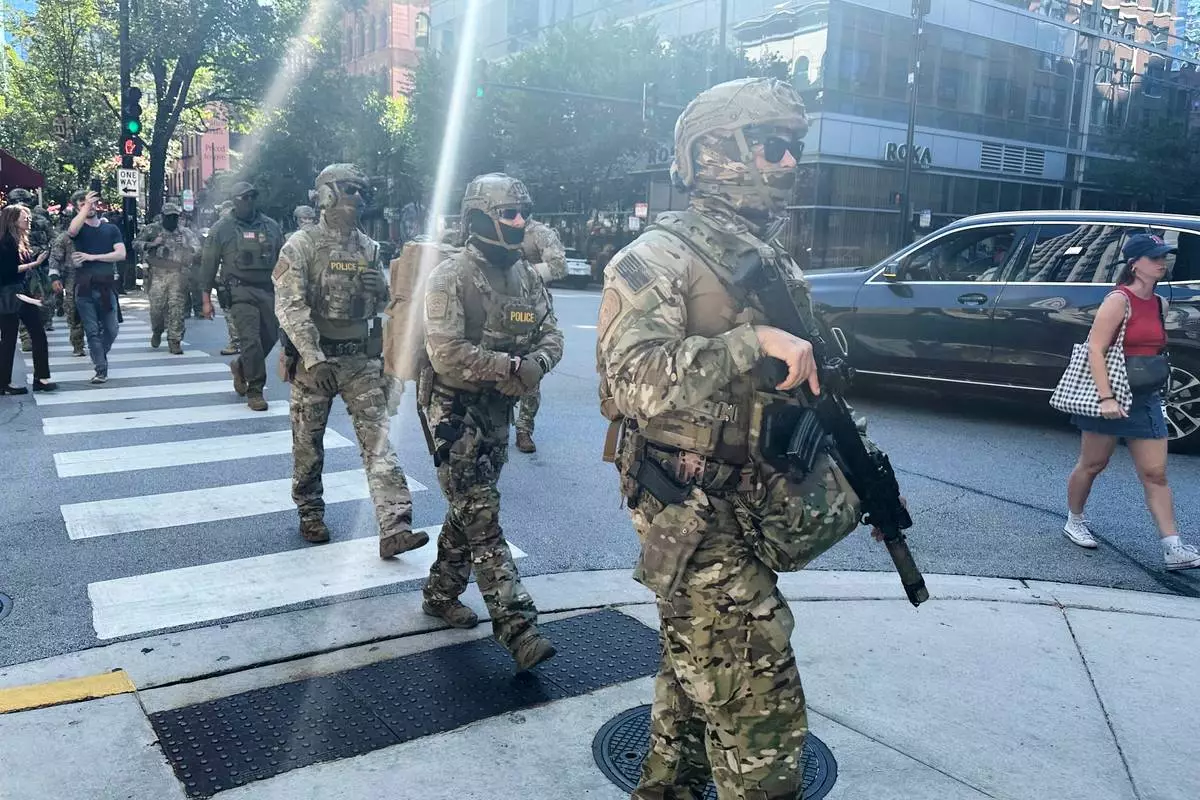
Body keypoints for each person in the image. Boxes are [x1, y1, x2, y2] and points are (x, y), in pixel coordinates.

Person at [597, 78, 871, 799]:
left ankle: (667, 787)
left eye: (794, 147)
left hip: (751, 499)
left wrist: (856, 475)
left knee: (695, 668)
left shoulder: (766, 256)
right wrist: (751, 342)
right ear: (714, 151)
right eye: (772, 146)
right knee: (758, 706)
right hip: (689, 506)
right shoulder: (659, 257)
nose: (789, 163)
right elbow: (631, 382)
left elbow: (804, 386)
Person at [419, 173, 563, 671]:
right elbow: (445, 352)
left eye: (524, 212)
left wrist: (536, 365)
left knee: (468, 508)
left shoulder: (527, 277)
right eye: (509, 214)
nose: (521, 222)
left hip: (499, 411)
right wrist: (510, 368)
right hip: (454, 410)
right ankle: (518, 627)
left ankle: (439, 594)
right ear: (479, 217)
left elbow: (551, 335)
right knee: (481, 511)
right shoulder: (451, 276)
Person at [273, 163, 427, 559]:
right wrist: (313, 358)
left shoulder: (369, 247)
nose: (357, 197)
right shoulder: (301, 245)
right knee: (308, 444)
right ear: (326, 194)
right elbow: (290, 306)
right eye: (349, 189)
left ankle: (395, 525)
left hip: (360, 360)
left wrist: (381, 290)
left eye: (361, 190)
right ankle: (310, 512)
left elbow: (384, 305)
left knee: (379, 443)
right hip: (316, 363)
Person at [1063, 233, 1200, 570]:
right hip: (1110, 392)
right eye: (1154, 257)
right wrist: (1106, 397)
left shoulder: (1159, 303)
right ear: (1135, 264)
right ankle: (1074, 520)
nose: (1162, 263)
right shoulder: (1118, 300)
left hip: (1144, 396)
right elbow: (1096, 349)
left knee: (1155, 473)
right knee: (1093, 463)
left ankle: (1172, 547)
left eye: (1164, 257)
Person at [199, 182, 283, 411]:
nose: (249, 201)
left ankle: (241, 366)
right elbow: (208, 264)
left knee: (270, 337)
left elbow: (283, 261)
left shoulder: (271, 226)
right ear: (234, 200)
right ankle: (255, 390)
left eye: (252, 197)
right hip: (239, 290)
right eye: (244, 198)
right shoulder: (222, 229)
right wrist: (205, 300)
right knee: (250, 340)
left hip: (268, 290)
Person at [513, 217, 567, 454]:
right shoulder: (490, 226)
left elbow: (559, 265)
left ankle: (524, 428)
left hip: (531, 306)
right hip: (494, 304)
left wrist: (524, 273)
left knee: (530, 367)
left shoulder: (538, 233)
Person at [67, 190, 126, 384]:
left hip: (106, 286)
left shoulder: (111, 229)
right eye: (83, 204)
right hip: (84, 287)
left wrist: (92, 257)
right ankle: (101, 369)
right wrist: (85, 207)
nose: (89, 206)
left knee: (111, 329)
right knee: (92, 331)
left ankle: (99, 353)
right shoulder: (79, 228)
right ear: (78, 208)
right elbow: (72, 231)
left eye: (92, 203)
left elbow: (121, 254)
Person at [0, 205, 56, 394]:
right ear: (12, 219)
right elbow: (7, 271)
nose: (28, 219)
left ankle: (37, 378)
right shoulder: (6, 241)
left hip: (18, 292)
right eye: (24, 217)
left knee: (28, 335)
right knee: (18, 337)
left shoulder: (18, 239)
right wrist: (35, 263)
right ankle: (29, 380)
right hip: (10, 294)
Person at [135, 202, 200, 354]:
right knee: (157, 309)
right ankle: (157, 331)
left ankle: (174, 340)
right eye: (169, 217)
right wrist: (152, 244)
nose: (172, 220)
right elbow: (135, 243)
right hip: (157, 274)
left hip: (178, 274)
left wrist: (186, 247)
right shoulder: (152, 229)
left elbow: (198, 249)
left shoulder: (185, 232)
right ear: (163, 216)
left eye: (175, 217)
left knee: (177, 309)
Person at [8, 190, 54, 354]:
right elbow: (53, 239)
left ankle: (28, 335)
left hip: (30, 265)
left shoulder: (7, 219)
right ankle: (31, 333)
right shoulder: (39, 219)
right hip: (33, 265)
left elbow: (53, 239)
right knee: (36, 297)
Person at [46, 194, 86, 357]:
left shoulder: (98, 231)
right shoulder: (64, 238)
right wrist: (55, 278)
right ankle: (78, 344)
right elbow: (55, 259)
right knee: (74, 312)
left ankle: (97, 343)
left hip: (96, 277)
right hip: (73, 278)